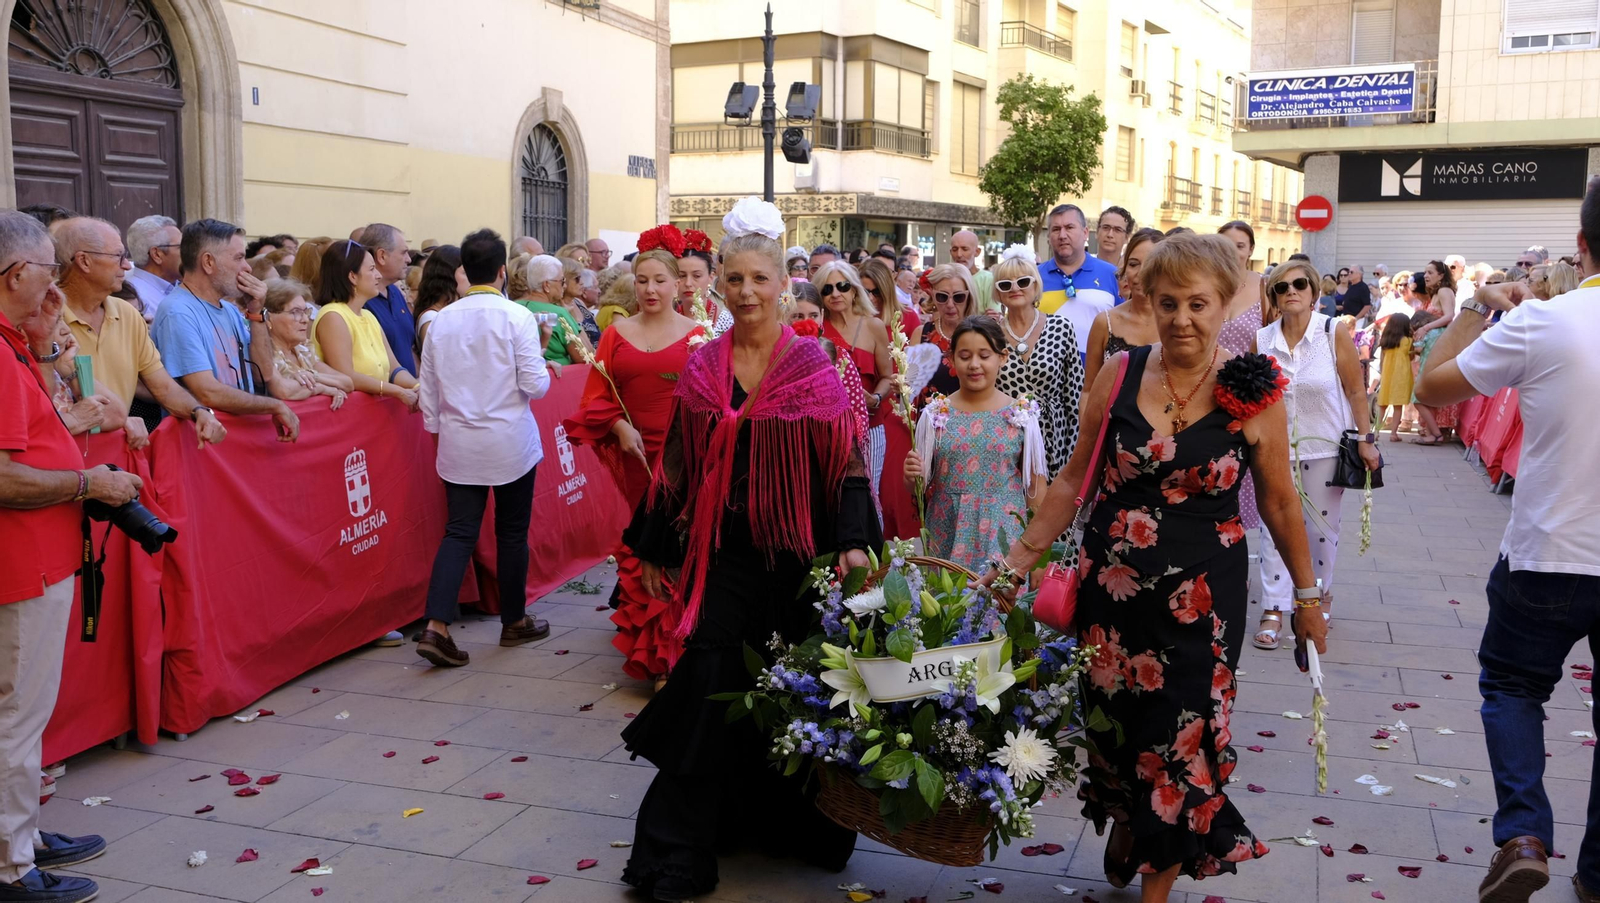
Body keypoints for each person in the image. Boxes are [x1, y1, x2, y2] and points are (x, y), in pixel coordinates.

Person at [990, 232, 1327, 902]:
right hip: (1110, 599)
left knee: (1180, 740)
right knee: (1115, 735)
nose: (1182, 319)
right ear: (1149, 299)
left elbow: (1284, 503)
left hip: (1203, 601)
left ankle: (1157, 880)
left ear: (1225, 302)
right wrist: (1018, 560)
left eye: (1198, 304)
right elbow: (1070, 480)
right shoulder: (1119, 373)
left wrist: (1308, 599)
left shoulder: (1253, 389)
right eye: (1168, 302)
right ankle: (1127, 819)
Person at [619, 197, 874, 901]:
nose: (747, 292)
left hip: (800, 560)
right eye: (734, 280)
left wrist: (853, 544)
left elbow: (849, 461)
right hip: (724, 558)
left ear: (783, 284)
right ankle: (676, 849)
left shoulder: (813, 365)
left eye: (760, 279)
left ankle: (795, 823)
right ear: (719, 286)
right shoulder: (705, 367)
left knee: (799, 692)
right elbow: (678, 462)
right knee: (707, 686)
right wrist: (658, 545)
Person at [1414, 179, 1600, 903]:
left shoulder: (1549, 321)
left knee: (1514, 686)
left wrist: (1472, 307)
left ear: (1581, 245)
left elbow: (1431, 387)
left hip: (1549, 549)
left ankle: (1523, 832)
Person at [1, 208, 146, 903]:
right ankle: (9, 862)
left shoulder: (12, 340)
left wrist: (46, 326)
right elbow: (4, 473)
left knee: (23, 712)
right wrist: (91, 481)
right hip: (19, 568)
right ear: (16, 274)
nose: (53, 285)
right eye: (45, 274)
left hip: (36, 561)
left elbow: (45, 414)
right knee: (15, 715)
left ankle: (19, 835)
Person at [562, 246, 703, 689]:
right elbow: (597, 394)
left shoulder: (698, 335)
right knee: (644, 545)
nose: (650, 289)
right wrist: (620, 426)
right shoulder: (615, 334)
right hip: (636, 458)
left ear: (678, 284)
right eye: (642, 280)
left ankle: (677, 653)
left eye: (660, 280)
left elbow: (712, 402)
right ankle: (656, 656)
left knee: (676, 545)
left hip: (684, 460)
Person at [414, 229, 552, 668]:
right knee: (511, 533)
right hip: (509, 440)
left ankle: (436, 625)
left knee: (459, 532)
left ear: (464, 273)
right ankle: (514, 621)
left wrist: (440, 430)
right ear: (500, 272)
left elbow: (429, 391)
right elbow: (535, 383)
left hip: (460, 442)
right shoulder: (516, 317)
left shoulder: (442, 320)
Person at [1249, 260, 1380, 650]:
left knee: (1321, 532)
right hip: (1274, 450)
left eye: (1299, 284)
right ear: (1272, 297)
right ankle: (1273, 607)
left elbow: (1356, 391)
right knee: (1274, 530)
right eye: (1281, 286)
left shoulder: (1331, 331)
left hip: (1324, 447)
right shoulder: (1261, 339)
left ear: (1313, 293)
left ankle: (1318, 598)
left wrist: (1365, 438)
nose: (1291, 291)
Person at [52, 217, 227, 448]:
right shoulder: (45, 317)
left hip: (120, 452)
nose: (127, 265)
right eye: (118, 256)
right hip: (67, 456)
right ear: (84, 261)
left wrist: (198, 411)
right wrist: (121, 419)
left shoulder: (128, 314)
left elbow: (163, 387)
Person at [906, 315, 1048, 572]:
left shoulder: (1021, 415)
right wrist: (910, 475)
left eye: (984, 355)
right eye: (964, 356)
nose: (974, 365)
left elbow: (1036, 488)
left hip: (1004, 535)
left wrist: (1037, 557)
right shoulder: (935, 414)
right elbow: (918, 485)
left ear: (1002, 357)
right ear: (950, 359)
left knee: (999, 608)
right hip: (946, 530)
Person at [149, 218, 300, 441]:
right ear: (208, 262)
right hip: (202, 448)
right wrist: (273, 406)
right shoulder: (178, 312)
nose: (247, 267)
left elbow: (263, 373)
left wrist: (256, 312)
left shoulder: (229, 310)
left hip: (235, 442)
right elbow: (207, 392)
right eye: (239, 258)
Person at [990, 244, 1083, 477]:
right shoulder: (990, 334)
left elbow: (1074, 396)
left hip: (1056, 439)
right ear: (998, 293)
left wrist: (1073, 456)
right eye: (1005, 284)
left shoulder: (1061, 327)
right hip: (1006, 441)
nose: (1015, 288)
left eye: (1023, 281)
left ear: (1035, 285)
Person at [814, 260, 894, 507]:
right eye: (827, 289)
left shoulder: (874, 325)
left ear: (854, 289)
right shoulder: (815, 327)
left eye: (842, 286)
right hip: (826, 429)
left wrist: (876, 398)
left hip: (870, 425)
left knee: (869, 495)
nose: (835, 294)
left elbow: (888, 378)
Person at [311, 240, 420, 409]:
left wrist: (417, 387)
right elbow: (346, 375)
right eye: (371, 269)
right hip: (350, 415)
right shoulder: (333, 316)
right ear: (352, 276)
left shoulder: (368, 315)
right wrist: (397, 391)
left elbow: (394, 368)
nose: (378, 275)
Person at [1215, 221, 1267, 541]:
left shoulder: (1264, 285)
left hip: (1250, 394)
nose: (1232, 251)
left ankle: (1239, 549)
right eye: (1225, 244)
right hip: (1206, 389)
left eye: (1239, 245)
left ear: (1250, 250)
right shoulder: (1205, 283)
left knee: (1248, 471)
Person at [1085, 227, 1164, 391]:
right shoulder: (1104, 322)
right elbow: (1089, 391)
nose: (1140, 273)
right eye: (1133, 264)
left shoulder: (1178, 323)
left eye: (1150, 264)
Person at [1039, 205, 1120, 353]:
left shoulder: (1112, 275)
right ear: (1049, 236)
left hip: (1099, 374)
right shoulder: (1032, 278)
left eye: (1069, 227)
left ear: (1085, 233)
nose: (1062, 235)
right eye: (1056, 229)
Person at [261, 279, 351, 409]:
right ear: (268, 318)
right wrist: (322, 388)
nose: (305, 320)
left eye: (305, 312)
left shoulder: (302, 350)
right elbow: (285, 390)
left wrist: (313, 375)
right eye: (295, 312)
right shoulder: (264, 353)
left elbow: (347, 383)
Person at [354, 224, 417, 378]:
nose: (409, 260)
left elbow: (408, 348)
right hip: (383, 395)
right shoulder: (361, 301)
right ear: (382, 256)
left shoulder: (395, 292)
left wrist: (418, 384)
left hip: (408, 394)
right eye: (403, 253)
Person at [1409, 260, 1458, 445]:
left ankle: (1435, 434)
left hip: (1437, 344)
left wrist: (1426, 327)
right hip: (1433, 344)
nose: (1426, 276)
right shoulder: (1438, 293)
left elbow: (1449, 316)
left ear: (1441, 275)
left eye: (1430, 272)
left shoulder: (1444, 291)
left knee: (1420, 394)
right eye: (1425, 272)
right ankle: (1432, 432)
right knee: (1425, 392)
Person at [914, 263, 976, 411]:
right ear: (933, 296)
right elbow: (909, 388)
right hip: (930, 425)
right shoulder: (921, 333)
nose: (950, 304)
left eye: (958, 297)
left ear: (969, 297)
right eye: (942, 296)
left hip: (972, 424)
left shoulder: (982, 334)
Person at [516, 254, 587, 366]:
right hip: (557, 378)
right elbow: (584, 356)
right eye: (562, 281)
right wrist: (574, 319)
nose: (564, 286)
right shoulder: (559, 313)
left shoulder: (514, 307)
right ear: (547, 285)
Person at [123, 214, 180, 322]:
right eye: (180, 247)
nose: (189, 253)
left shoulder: (182, 287)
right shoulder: (133, 299)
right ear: (157, 254)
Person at [1375, 312, 1414, 441]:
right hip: (1401, 376)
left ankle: (1376, 432)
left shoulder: (1386, 341)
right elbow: (1412, 356)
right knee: (1398, 406)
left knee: (1382, 405)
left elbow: (1382, 359)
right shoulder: (1407, 341)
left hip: (1387, 375)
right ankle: (1393, 434)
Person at [948, 229, 995, 313]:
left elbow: (993, 316)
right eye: (955, 249)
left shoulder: (988, 279)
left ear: (977, 252)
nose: (959, 254)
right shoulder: (946, 279)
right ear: (950, 252)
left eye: (964, 249)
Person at [558, 255, 602, 346]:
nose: (582, 282)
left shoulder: (579, 303)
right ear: (564, 280)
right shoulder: (557, 307)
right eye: (577, 279)